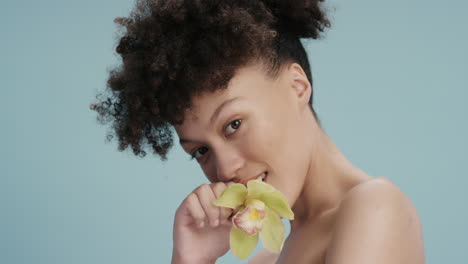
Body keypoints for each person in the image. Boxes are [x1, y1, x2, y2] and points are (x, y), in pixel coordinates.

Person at [90, 0, 426, 263]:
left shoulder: (373, 206)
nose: (224, 170)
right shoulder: (267, 258)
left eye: (233, 125)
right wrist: (191, 260)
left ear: (297, 85)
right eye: (201, 152)